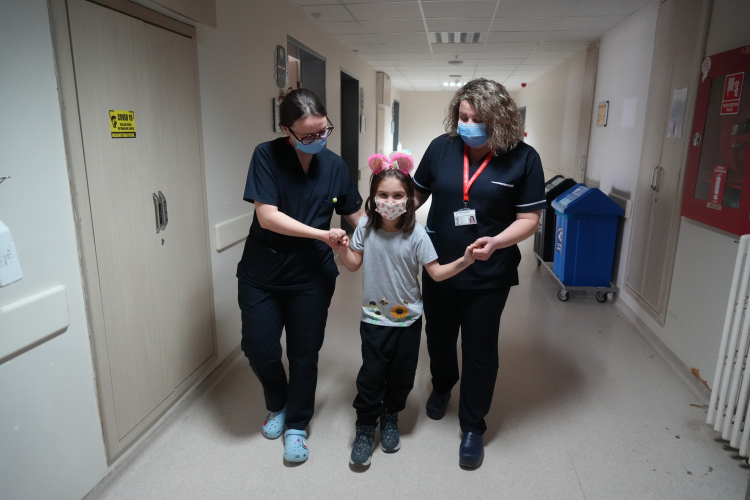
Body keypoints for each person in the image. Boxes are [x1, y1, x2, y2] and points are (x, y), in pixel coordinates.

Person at [412, 79, 545, 469]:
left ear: (499, 120)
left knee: (480, 348)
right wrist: (392, 206)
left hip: (489, 272)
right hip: (440, 266)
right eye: (463, 116)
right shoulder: (441, 147)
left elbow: (529, 220)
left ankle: (473, 425)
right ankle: (442, 386)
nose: (467, 125)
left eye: (477, 119)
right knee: (438, 337)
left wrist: (497, 242)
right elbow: (417, 193)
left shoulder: (524, 158)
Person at [237, 88, 365, 464]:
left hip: (311, 276)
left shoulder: (336, 167)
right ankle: (278, 402)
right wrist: (322, 235)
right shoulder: (266, 156)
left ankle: (296, 424)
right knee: (258, 348)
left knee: (304, 353)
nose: (318, 139)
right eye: (308, 135)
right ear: (286, 130)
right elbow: (267, 216)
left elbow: (356, 215)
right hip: (263, 271)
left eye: (324, 131)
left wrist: (393, 230)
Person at [335, 152, 476, 467]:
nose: (390, 201)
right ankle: (365, 426)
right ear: (373, 197)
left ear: (409, 199)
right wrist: (342, 248)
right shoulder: (365, 228)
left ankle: (390, 416)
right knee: (371, 376)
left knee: (402, 376)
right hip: (374, 320)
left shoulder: (417, 234)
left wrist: (465, 261)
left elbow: (436, 273)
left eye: (398, 195)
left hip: (408, 321)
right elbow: (354, 264)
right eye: (383, 195)